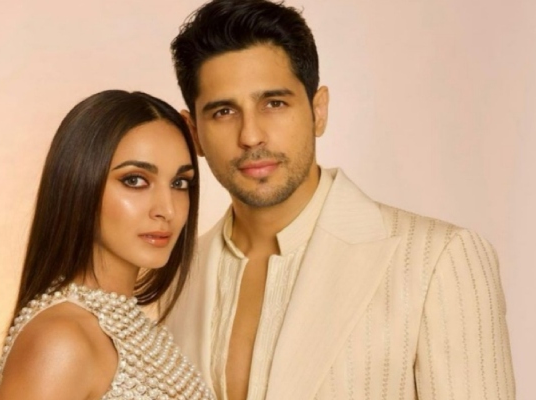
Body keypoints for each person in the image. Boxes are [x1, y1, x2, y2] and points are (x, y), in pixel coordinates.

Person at [163, 1, 516, 399]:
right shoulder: (172, 281)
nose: (251, 135)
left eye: (274, 103)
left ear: (318, 111)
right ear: (194, 133)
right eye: (224, 111)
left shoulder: (438, 260)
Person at [0, 90, 214, 400]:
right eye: (135, 180)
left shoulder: (132, 328)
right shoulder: (61, 340)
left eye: (179, 183)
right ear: (80, 184)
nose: (167, 209)